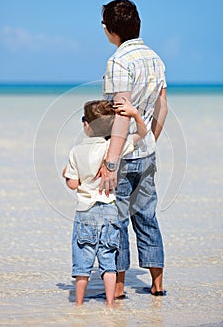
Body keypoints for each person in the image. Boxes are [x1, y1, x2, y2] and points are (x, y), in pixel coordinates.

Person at [99, 0, 168, 298]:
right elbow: (162, 108)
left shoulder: (119, 60)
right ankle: (157, 285)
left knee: (117, 220)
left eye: (104, 24)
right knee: (147, 216)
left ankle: (119, 289)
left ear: (111, 30)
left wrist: (111, 161)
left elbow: (120, 116)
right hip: (147, 152)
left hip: (124, 155)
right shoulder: (156, 58)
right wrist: (148, 139)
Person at [63, 98, 148, 306]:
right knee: (108, 260)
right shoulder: (113, 148)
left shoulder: (76, 151)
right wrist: (135, 114)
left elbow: (73, 184)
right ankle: (110, 303)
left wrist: (66, 175)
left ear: (87, 125)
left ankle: (79, 304)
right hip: (109, 209)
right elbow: (142, 133)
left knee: (82, 263)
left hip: (85, 211)